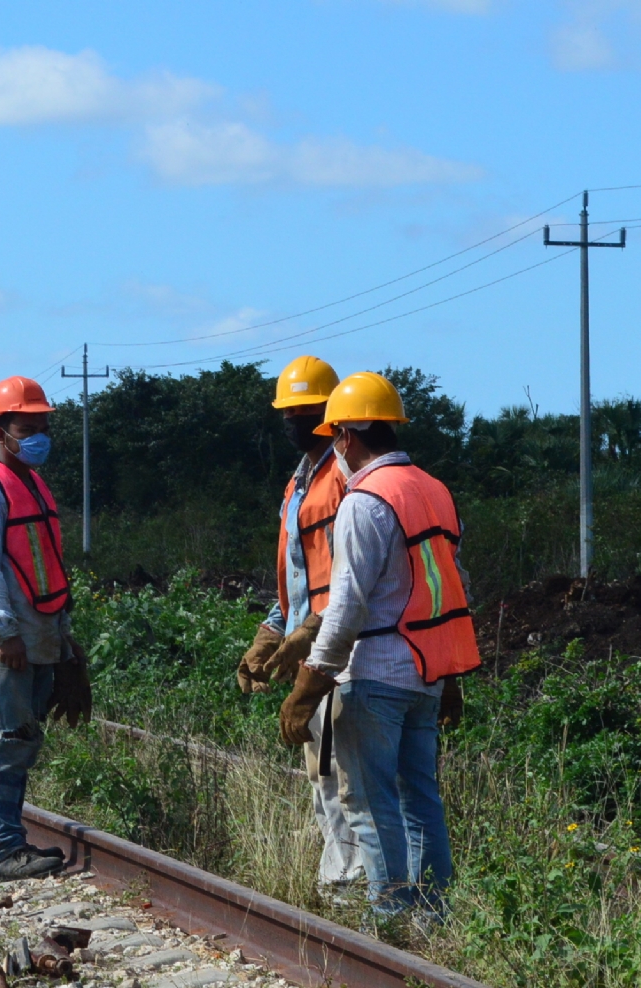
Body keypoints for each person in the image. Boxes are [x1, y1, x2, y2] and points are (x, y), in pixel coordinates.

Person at [279, 371, 480, 924]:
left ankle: (389, 919)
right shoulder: (434, 489)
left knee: (370, 806)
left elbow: (345, 608)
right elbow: (450, 588)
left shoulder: (363, 501)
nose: (336, 445)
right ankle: (432, 916)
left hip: (374, 675)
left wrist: (309, 684)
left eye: (337, 434)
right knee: (421, 800)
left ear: (349, 434)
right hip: (426, 675)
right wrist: (451, 676)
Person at [0, 375, 93, 881]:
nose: (37, 435)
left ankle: (9, 843)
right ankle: (3, 850)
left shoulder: (31, 483)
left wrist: (63, 637)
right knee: (6, 741)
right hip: (0, 641)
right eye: (25, 426)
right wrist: (5, 633)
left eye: (42, 425)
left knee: (21, 741)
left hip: (34, 637)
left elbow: (46, 567)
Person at [236, 355, 364, 888]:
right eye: (288, 412)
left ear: (330, 413)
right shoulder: (298, 482)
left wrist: (309, 633)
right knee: (320, 769)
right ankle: (339, 878)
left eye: (306, 411)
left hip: (340, 645)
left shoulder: (343, 477)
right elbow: (297, 576)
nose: (294, 421)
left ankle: (354, 884)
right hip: (310, 640)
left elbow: (347, 580)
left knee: (346, 774)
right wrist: (270, 633)